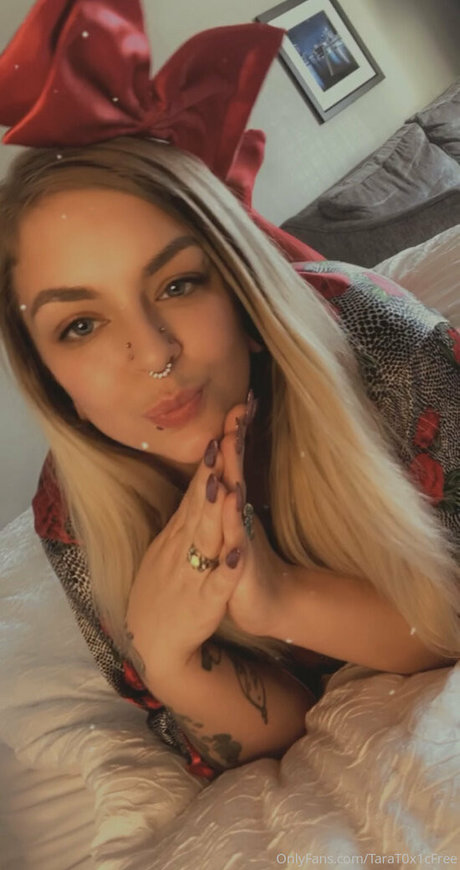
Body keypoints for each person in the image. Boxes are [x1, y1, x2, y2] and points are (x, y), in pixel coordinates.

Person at [1, 1, 460, 782]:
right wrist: (170, 658)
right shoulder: (72, 519)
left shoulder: (381, 338)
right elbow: (263, 736)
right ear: (50, 379)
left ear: (242, 292)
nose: (154, 353)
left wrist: (278, 597)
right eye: (79, 325)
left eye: (179, 283)